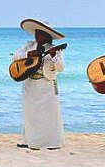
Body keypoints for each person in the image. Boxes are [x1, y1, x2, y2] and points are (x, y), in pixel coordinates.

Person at [12, 19, 65, 150]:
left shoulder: (55, 49)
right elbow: (15, 56)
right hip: (30, 83)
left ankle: (52, 142)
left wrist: (54, 57)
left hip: (46, 83)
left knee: (49, 114)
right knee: (30, 113)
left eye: (40, 33)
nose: (37, 35)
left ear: (47, 35)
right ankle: (28, 140)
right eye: (36, 33)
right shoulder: (29, 45)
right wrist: (28, 54)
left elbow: (61, 67)